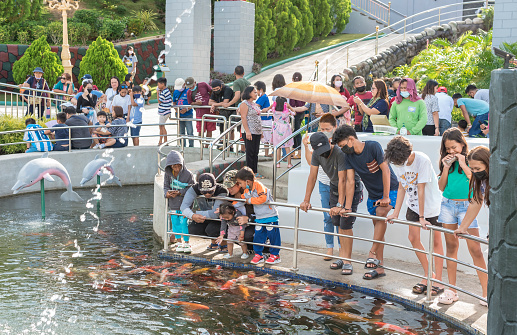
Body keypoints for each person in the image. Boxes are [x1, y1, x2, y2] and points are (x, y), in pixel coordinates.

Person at [334, 125, 398, 280]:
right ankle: (379, 268)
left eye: (342, 145)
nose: (342, 149)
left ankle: (372, 253)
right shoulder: (348, 156)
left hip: (390, 190)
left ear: (351, 139)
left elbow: (386, 170)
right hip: (372, 196)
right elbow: (350, 181)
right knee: (378, 230)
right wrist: (347, 207)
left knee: (382, 214)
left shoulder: (373, 146)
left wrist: (386, 197)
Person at [384, 136, 444, 296]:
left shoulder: (422, 160)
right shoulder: (397, 162)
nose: (399, 164)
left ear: (408, 153)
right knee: (413, 238)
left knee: (436, 242)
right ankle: (428, 274)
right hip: (413, 205)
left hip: (432, 206)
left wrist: (423, 216)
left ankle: (438, 280)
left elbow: (422, 188)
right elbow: (403, 186)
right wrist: (395, 213)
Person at [300, 128, 362, 274]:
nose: (324, 154)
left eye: (326, 150)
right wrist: (306, 200)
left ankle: (348, 260)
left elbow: (343, 179)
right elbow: (312, 177)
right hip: (334, 186)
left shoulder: (339, 153)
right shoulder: (316, 154)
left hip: (350, 186)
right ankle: (342, 256)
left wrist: (341, 205)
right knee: (338, 223)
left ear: (329, 142)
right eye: (320, 152)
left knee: (346, 222)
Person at [436, 131, 487, 306]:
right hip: (448, 206)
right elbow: (441, 187)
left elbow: (476, 180)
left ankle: (487, 292)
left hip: (468, 206)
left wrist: (463, 163)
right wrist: (444, 168)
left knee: (476, 250)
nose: (451, 151)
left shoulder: (472, 162)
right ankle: (452, 290)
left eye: (454, 147)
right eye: (447, 148)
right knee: (451, 246)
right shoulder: (446, 163)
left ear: (463, 145)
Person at [301, 114, 337, 261]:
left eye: (327, 129)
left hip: (337, 183)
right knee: (327, 217)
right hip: (324, 183)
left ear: (335, 128)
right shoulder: (317, 142)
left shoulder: (339, 143)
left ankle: (343, 249)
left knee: (340, 218)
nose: (324, 131)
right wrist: (306, 146)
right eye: (322, 129)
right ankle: (330, 248)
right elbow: (312, 164)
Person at [235, 167, 281, 265]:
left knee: (273, 235)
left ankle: (275, 255)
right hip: (259, 217)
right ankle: (258, 254)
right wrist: (232, 204)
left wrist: (250, 200)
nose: (239, 185)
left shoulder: (259, 186)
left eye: (240, 183)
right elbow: (243, 199)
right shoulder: (248, 190)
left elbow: (263, 198)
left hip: (270, 216)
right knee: (258, 236)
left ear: (247, 181)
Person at [180, 173, 229, 252]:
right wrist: (192, 215)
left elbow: (215, 214)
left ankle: (224, 243)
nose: (207, 194)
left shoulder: (222, 190)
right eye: (204, 192)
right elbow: (183, 206)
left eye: (210, 191)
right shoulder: (194, 188)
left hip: (221, 219)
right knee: (192, 229)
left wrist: (194, 213)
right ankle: (214, 241)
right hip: (205, 216)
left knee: (212, 229)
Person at [164, 150, 195, 253]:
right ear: (170, 166)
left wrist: (180, 192)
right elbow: (165, 187)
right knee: (175, 223)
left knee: (184, 223)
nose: (176, 168)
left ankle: (186, 242)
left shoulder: (188, 175)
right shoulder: (168, 174)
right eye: (174, 166)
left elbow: (192, 189)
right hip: (173, 204)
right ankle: (178, 241)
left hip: (185, 204)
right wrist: (167, 193)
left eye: (178, 166)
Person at [223, 169, 258, 255]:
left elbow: (261, 213)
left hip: (252, 225)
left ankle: (260, 248)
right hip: (237, 226)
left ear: (239, 183)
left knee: (248, 235)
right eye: (227, 186)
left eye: (231, 186)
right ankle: (247, 248)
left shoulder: (250, 195)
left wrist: (249, 219)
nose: (229, 189)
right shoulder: (229, 198)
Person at [239, 86, 265, 175]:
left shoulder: (254, 104)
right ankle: (250, 174)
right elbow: (243, 117)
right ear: (249, 93)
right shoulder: (244, 104)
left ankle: (255, 172)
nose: (256, 94)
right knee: (250, 153)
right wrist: (247, 131)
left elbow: (258, 117)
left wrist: (260, 131)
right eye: (254, 92)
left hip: (257, 131)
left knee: (255, 152)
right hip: (249, 131)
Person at [186, 77, 213, 141]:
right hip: (199, 113)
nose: (191, 88)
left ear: (195, 83)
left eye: (192, 86)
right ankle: (202, 146)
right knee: (200, 131)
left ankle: (207, 146)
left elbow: (211, 91)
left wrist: (211, 101)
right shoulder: (189, 92)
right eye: (189, 87)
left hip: (209, 111)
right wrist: (196, 103)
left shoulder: (203, 85)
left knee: (209, 129)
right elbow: (190, 103)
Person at [271, 97, 295, 168]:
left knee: (278, 147)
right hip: (285, 129)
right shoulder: (287, 111)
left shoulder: (274, 111)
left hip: (276, 129)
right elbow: (294, 113)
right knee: (287, 146)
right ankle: (289, 163)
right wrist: (290, 106)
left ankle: (278, 163)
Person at [172, 78, 194, 148]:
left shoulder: (189, 91)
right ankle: (182, 146)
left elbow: (193, 103)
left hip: (188, 114)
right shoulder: (175, 92)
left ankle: (191, 146)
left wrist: (187, 109)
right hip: (179, 115)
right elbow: (174, 102)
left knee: (189, 131)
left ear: (184, 85)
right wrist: (176, 110)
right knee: (181, 132)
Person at [289, 72, 305, 159]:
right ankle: (295, 151)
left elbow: (292, 103)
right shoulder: (302, 89)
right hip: (302, 112)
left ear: (292, 79)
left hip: (295, 113)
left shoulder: (292, 89)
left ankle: (298, 151)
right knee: (296, 131)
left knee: (296, 132)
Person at [255, 81, 272, 157]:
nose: (256, 92)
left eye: (256, 90)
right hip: (264, 119)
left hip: (265, 120)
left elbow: (256, 106)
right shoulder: (262, 97)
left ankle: (266, 153)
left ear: (261, 90)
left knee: (266, 136)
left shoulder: (263, 97)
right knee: (265, 136)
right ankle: (266, 153)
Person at [157, 77, 172, 145]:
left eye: (158, 84)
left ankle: (162, 141)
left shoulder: (164, 92)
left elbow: (159, 101)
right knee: (162, 126)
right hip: (165, 111)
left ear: (162, 84)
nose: (158, 86)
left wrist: (157, 93)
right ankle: (164, 141)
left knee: (161, 126)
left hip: (164, 112)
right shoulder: (166, 91)